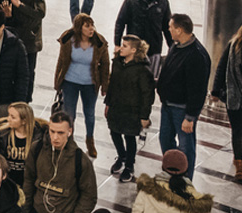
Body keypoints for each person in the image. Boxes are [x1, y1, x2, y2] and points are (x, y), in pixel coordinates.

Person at [155, 14, 211, 179]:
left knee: (186, 147)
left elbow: (198, 89)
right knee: (165, 140)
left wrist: (190, 117)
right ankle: (172, 173)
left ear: (179, 30)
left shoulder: (197, 55)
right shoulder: (176, 45)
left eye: (171, 27)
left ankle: (185, 180)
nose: (169, 30)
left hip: (182, 110)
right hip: (168, 104)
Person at [54, 13, 110, 158]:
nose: (91, 29)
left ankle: (90, 141)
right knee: (69, 114)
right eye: (87, 26)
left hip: (90, 84)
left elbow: (105, 65)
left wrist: (105, 86)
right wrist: (57, 82)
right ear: (79, 28)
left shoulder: (99, 42)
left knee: (89, 114)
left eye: (92, 25)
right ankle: (69, 141)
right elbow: (61, 61)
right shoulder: (68, 39)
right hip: (70, 82)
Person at [105, 34, 155, 182]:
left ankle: (129, 166)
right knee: (114, 132)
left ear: (133, 50)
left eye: (125, 46)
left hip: (132, 110)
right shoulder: (117, 63)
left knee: (129, 137)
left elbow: (147, 95)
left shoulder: (143, 70)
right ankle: (122, 156)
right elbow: (112, 84)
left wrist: (144, 116)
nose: (121, 48)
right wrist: (108, 103)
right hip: (116, 106)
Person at [113, 0, 171, 74]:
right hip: (134, 49)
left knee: (150, 78)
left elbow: (167, 27)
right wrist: (117, 44)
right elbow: (120, 22)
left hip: (154, 49)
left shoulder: (163, 2)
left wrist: (172, 47)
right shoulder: (131, 0)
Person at [1, 0, 47, 91]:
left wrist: (20, 6)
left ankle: (26, 99)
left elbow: (40, 14)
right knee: (11, 73)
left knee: (28, 73)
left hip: (30, 41)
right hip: (13, 41)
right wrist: (8, 16)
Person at [211, 22, 242, 179]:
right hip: (235, 98)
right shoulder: (232, 46)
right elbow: (221, 68)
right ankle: (240, 165)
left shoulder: (233, 45)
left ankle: (239, 163)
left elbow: (221, 68)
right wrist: (215, 91)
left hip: (234, 97)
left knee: (238, 131)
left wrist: (216, 91)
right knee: (238, 131)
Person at [0, 102, 46, 187]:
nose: (8, 119)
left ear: (24, 121)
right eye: (9, 115)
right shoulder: (2, 135)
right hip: (6, 181)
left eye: (13, 117)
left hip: (28, 182)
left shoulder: (38, 138)